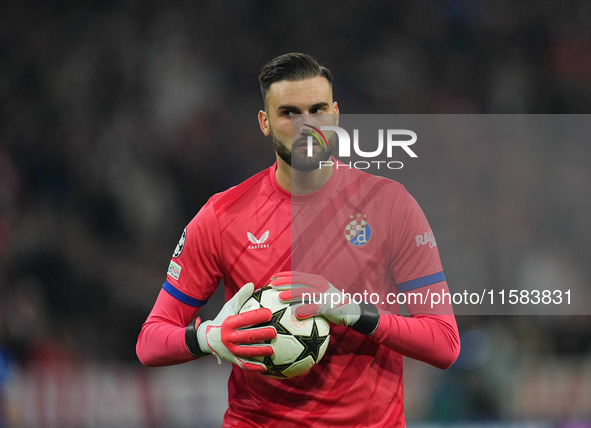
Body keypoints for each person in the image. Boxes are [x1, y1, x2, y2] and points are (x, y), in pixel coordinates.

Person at [136, 52, 460, 427]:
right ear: (264, 122)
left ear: (336, 115)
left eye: (318, 109)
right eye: (289, 113)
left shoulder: (390, 205)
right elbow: (150, 342)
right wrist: (208, 338)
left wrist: (355, 313)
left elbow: (444, 342)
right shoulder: (221, 217)